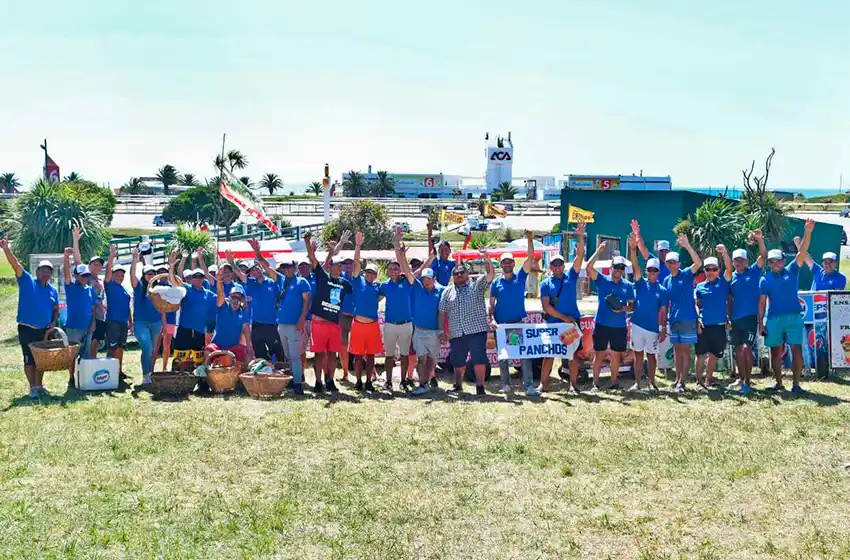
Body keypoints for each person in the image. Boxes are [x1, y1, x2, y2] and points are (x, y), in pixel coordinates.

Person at [758, 219, 815, 394]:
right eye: (772, 262)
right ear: (768, 263)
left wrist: (807, 232)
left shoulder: (792, 270)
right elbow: (761, 302)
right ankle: (779, 383)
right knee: (775, 351)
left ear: (784, 260)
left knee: (796, 348)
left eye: (778, 261)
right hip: (773, 318)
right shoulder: (764, 279)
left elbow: (803, 251)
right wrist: (761, 323)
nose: (776, 264)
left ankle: (796, 384)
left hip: (793, 316)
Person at [2, 239, 59, 398]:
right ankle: (33, 387)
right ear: (37, 271)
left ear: (51, 274)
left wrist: (54, 322)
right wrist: (6, 249)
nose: (45, 273)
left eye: (49, 271)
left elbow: (55, 310)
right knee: (29, 359)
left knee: (41, 359)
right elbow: (15, 265)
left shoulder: (53, 291)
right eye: (43, 270)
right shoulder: (27, 281)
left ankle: (39, 386)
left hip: (44, 330)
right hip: (27, 328)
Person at [438, 251, 495, 396]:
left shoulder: (477, 286)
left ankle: (480, 387)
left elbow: (490, 275)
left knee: (479, 360)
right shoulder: (447, 292)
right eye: (456, 273)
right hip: (456, 332)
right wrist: (441, 331)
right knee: (457, 362)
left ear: (467, 274)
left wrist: (486, 259)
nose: (459, 275)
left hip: (476, 331)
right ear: (453, 276)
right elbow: (442, 312)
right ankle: (458, 386)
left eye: (461, 272)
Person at [489, 230, 538, 396]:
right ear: (501, 265)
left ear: (513, 263)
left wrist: (530, 239)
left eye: (510, 261)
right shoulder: (496, 283)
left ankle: (528, 385)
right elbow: (491, 304)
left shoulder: (521, 276)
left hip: (517, 323)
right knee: (504, 356)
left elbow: (530, 257)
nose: (508, 264)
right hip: (501, 326)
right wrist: (492, 320)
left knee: (523, 356)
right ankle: (505, 384)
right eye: (505, 262)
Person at [303, 231, 353, 393]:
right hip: (319, 323)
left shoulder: (344, 283)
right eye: (337, 265)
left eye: (341, 265)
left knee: (332, 354)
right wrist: (307, 241)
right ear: (330, 266)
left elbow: (358, 274)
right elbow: (312, 258)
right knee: (318, 354)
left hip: (334, 324)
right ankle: (318, 381)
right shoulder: (323, 277)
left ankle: (329, 379)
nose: (340, 267)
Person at [539, 221, 585, 393]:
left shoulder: (571, 276)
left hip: (572, 323)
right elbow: (546, 307)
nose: (557, 267)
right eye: (554, 264)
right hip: (554, 323)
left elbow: (579, 256)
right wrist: (564, 318)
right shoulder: (545, 283)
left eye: (560, 264)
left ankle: (573, 384)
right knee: (549, 355)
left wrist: (580, 237)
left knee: (573, 355)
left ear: (563, 266)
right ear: (550, 267)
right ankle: (544, 384)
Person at [586, 243, 635, 391]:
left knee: (616, 355)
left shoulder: (628, 285)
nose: (619, 271)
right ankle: (595, 382)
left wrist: (622, 309)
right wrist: (598, 251)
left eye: (622, 268)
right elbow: (589, 267)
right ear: (611, 268)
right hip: (601, 324)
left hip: (619, 326)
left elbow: (632, 305)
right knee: (599, 354)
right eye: (616, 267)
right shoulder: (602, 280)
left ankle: (614, 382)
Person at [628, 222, 668, 392]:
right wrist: (633, 248)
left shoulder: (663, 290)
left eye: (654, 271)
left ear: (658, 273)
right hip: (637, 325)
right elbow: (635, 264)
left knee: (651, 357)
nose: (651, 273)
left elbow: (664, 310)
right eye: (649, 270)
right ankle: (638, 383)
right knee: (638, 356)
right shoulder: (640, 282)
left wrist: (663, 328)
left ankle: (652, 382)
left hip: (652, 328)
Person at [232, 239, 285, 362]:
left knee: (277, 353)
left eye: (256, 269)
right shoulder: (251, 283)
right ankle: (264, 374)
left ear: (260, 268)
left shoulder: (274, 282)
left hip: (271, 324)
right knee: (260, 353)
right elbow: (238, 273)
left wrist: (257, 251)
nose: (254, 272)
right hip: (256, 324)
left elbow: (268, 267)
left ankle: (280, 376)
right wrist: (231, 262)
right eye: (251, 271)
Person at [727, 231, 767, 394]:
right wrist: (729, 318)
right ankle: (742, 380)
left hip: (750, 318)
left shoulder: (753, 272)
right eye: (736, 260)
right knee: (738, 351)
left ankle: (747, 382)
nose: (738, 262)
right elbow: (729, 300)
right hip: (736, 320)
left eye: (741, 260)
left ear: (747, 261)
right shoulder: (731, 277)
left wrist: (759, 239)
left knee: (746, 349)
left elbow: (763, 256)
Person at [662, 234, 702, 393]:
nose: (671, 264)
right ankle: (678, 379)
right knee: (678, 351)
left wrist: (687, 245)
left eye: (674, 262)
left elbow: (698, 263)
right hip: (674, 320)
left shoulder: (686, 274)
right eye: (669, 262)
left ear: (679, 263)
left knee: (685, 352)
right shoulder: (666, 281)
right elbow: (666, 304)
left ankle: (682, 383)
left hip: (687, 319)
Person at [380, 227, 416, 391]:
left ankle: (403, 380)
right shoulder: (384, 286)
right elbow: (374, 298)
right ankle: (388, 381)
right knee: (388, 356)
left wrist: (401, 253)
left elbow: (405, 267)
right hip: (390, 325)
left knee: (404, 355)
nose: (394, 270)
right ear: (387, 271)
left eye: (397, 268)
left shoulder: (407, 282)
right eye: (391, 268)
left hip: (406, 325)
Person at [694, 246, 733, 389]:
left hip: (719, 326)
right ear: (704, 271)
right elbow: (697, 305)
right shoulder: (699, 287)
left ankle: (708, 380)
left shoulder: (723, 283)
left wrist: (724, 253)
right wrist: (697, 319)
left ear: (718, 270)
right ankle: (699, 382)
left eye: (714, 269)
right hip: (704, 325)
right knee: (700, 355)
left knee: (714, 355)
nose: (710, 272)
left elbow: (729, 269)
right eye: (707, 269)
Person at [348, 232, 383, 392]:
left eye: (372, 273)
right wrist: (358, 246)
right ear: (364, 273)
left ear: (376, 275)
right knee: (357, 356)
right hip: (358, 325)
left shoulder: (378, 287)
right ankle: (358, 381)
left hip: (373, 325)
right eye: (367, 272)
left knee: (370, 356)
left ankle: (369, 381)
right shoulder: (357, 281)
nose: (369, 275)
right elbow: (356, 262)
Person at [410, 248, 444, 396]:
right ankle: (422, 384)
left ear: (434, 279)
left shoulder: (441, 291)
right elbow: (410, 274)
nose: (425, 281)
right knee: (421, 359)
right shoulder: (417, 288)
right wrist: (429, 259)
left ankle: (427, 382)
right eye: (424, 279)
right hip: (419, 330)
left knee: (431, 360)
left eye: (428, 279)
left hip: (434, 332)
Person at [171, 252, 213, 368]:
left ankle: (199, 381)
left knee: (198, 359)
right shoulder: (186, 289)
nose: (198, 279)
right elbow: (175, 280)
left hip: (199, 331)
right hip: (184, 329)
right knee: (179, 357)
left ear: (203, 279)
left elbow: (221, 300)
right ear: (191, 279)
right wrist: (172, 266)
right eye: (195, 277)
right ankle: (176, 378)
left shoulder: (209, 294)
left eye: (200, 277)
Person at [275, 259, 311, 394]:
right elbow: (267, 268)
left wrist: (301, 319)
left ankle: (298, 383)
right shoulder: (282, 280)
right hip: (282, 324)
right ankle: (292, 379)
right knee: (288, 355)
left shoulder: (301, 282)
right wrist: (259, 254)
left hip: (294, 324)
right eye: (284, 267)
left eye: (289, 267)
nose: (286, 269)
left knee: (295, 355)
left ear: (294, 268)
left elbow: (307, 302)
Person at [62, 248, 96, 386]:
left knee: (86, 354)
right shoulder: (71, 287)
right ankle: (71, 378)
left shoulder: (89, 290)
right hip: (73, 327)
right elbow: (66, 274)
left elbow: (93, 308)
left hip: (87, 326)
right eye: (82, 275)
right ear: (76, 276)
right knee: (72, 354)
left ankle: (84, 378)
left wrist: (93, 323)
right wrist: (66, 257)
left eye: (86, 275)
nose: (85, 278)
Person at [129, 249, 163, 385]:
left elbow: (162, 308)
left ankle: (150, 374)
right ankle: (145, 374)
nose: (151, 275)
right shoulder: (139, 286)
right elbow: (132, 276)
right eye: (148, 273)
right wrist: (134, 260)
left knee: (153, 350)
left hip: (156, 322)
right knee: (147, 347)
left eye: (153, 273)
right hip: (141, 322)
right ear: (144, 275)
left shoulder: (159, 288)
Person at [72, 227, 106, 358]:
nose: (97, 266)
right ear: (89, 266)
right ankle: (86, 366)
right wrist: (76, 240)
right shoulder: (87, 278)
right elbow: (77, 260)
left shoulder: (101, 280)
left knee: (96, 342)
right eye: (95, 264)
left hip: (100, 315)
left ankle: (93, 365)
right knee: (89, 342)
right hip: (90, 316)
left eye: (99, 265)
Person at [205, 267, 251, 364]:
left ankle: (244, 375)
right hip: (217, 345)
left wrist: (249, 345)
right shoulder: (223, 305)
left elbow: (246, 328)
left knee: (246, 352)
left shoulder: (243, 312)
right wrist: (219, 281)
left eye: (239, 298)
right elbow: (220, 293)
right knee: (208, 351)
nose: (236, 300)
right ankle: (207, 375)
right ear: (229, 298)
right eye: (233, 297)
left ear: (242, 300)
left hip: (233, 347)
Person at [104, 245, 132, 378]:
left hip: (123, 322)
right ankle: (109, 372)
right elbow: (108, 269)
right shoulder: (109, 285)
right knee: (112, 347)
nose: (120, 277)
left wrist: (130, 322)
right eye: (117, 274)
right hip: (113, 320)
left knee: (121, 347)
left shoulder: (124, 289)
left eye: (122, 275)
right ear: (112, 275)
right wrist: (112, 256)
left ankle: (119, 371)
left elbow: (127, 307)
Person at [297, 256, 316, 378]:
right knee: (300, 349)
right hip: (301, 320)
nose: (303, 268)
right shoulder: (297, 281)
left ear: (309, 267)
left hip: (315, 319)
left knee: (319, 351)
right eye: (301, 266)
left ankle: (321, 376)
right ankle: (302, 373)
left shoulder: (316, 280)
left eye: (306, 265)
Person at [338, 257, 356, 382]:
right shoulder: (340, 278)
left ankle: (373, 373)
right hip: (342, 316)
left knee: (361, 346)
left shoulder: (359, 278)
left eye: (351, 263)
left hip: (356, 316)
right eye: (346, 263)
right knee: (342, 346)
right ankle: (345, 373)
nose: (348, 265)